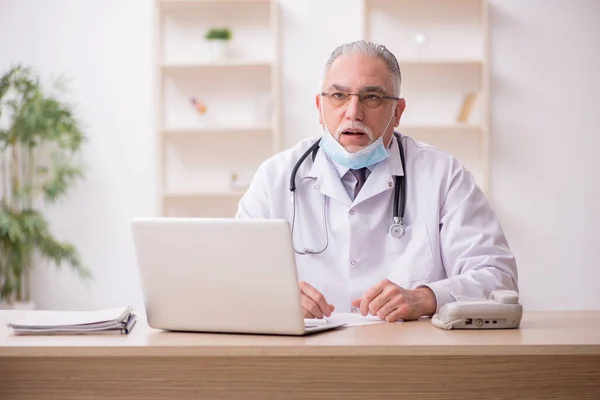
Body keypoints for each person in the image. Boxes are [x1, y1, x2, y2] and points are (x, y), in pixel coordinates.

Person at [236, 40, 518, 322]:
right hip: (306, 355)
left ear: (398, 112)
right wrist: (274, 295)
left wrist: (426, 298)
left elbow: (498, 278)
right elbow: (233, 276)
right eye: (338, 95)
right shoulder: (275, 177)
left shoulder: (443, 174)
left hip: (410, 356)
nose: (353, 112)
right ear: (319, 106)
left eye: (372, 98)